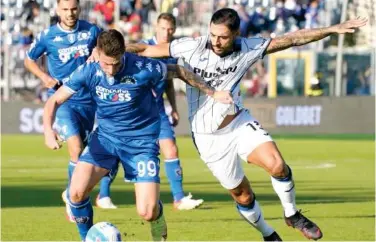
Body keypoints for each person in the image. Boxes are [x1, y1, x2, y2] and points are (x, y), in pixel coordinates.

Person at [124, 8, 367, 241]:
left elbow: (293, 38)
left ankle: (292, 214)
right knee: (243, 195)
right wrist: (111, 49)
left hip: (238, 122)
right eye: (213, 35)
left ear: (236, 35)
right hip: (208, 138)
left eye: (223, 37)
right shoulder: (191, 46)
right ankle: (268, 233)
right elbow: (146, 49)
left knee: (277, 165)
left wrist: (333, 28)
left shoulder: (249, 48)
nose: (216, 41)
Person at [42, 29, 232, 241]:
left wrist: (213, 92)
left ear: (124, 52)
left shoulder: (144, 67)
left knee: (147, 212)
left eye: (116, 63)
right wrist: (48, 130)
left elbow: (177, 70)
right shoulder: (89, 70)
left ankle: (157, 217)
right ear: (97, 53)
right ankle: (86, 238)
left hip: (141, 144)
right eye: (106, 63)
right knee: (75, 193)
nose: (111, 69)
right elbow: (54, 100)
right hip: (105, 140)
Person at [24, 0, 119, 218]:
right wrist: (45, 77)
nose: (70, 13)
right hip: (64, 100)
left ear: (79, 8)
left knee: (89, 156)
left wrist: (98, 50)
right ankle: (74, 201)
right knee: (75, 147)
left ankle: (72, 193)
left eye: (74, 8)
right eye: (65, 9)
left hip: (91, 101)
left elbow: (110, 46)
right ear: (57, 10)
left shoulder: (92, 30)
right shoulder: (48, 36)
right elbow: (29, 60)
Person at [143, 13, 204, 210]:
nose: (166, 33)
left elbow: (168, 81)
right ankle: (103, 194)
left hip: (158, 110)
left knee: (171, 149)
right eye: (163, 28)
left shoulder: (172, 51)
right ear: (156, 27)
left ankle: (178, 199)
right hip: (137, 110)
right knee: (118, 153)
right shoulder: (144, 48)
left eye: (170, 29)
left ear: (174, 30)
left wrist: (174, 108)